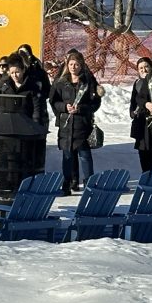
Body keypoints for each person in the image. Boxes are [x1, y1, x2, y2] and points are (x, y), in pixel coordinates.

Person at [50, 50, 102, 196]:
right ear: (67, 65)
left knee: (84, 154)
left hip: (81, 124)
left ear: (81, 65)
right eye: (71, 64)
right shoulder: (61, 82)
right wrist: (63, 108)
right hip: (66, 124)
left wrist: (82, 109)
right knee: (67, 155)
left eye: (76, 64)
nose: (73, 67)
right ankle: (67, 184)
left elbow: (95, 102)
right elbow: (53, 100)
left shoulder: (87, 81)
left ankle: (89, 184)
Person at [0, 52, 45, 125]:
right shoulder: (5, 86)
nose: (14, 75)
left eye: (17, 72)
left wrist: (35, 125)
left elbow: (36, 110)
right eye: (12, 73)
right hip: (8, 124)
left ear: (23, 70)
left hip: (26, 124)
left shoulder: (32, 87)